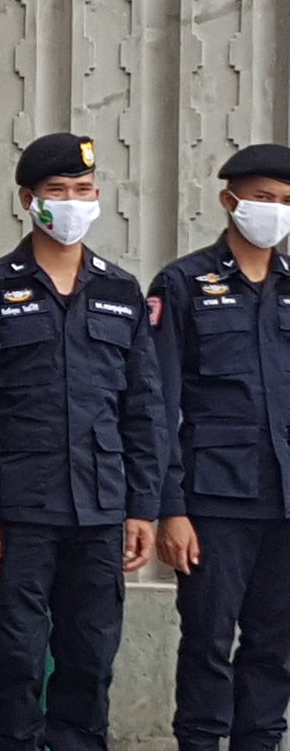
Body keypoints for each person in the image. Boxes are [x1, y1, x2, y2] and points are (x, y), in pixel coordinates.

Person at [0, 132, 163, 750]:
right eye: (58, 191)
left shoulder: (121, 291)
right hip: (19, 509)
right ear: (28, 199)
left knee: (90, 659)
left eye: (83, 190)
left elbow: (144, 407)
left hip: (100, 510)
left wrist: (143, 508)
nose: (72, 202)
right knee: (15, 661)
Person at [149, 143, 290, 751]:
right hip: (214, 501)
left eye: (286, 202)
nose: (275, 211)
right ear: (229, 201)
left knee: (275, 646)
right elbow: (159, 404)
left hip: (285, 501)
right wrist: (170, 507)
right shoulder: (183, 284)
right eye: (263, 199)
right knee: (207, 642)